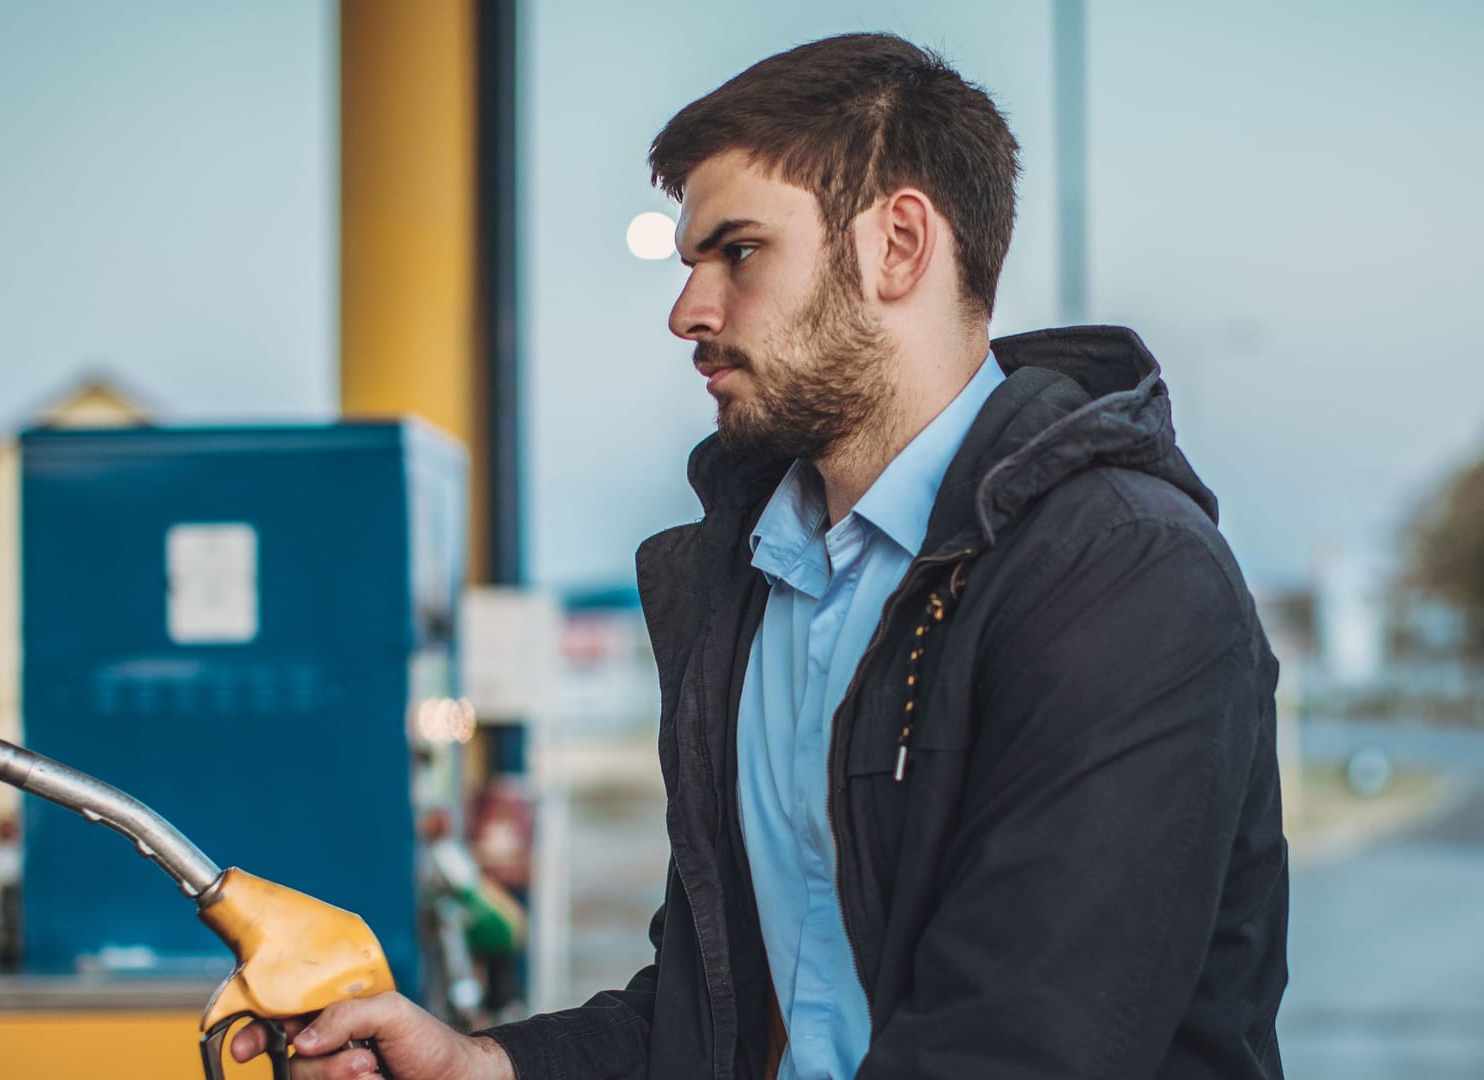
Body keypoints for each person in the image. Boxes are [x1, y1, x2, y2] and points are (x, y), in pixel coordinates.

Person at [235, 31, 1287, 1080]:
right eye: (694, 261)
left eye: (738, 252)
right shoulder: (752, 583)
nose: (688, 310)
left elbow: (1020, 1046)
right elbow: (720, 1018)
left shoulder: (1123, 576)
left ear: (900, 246)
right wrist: (482, 1067)